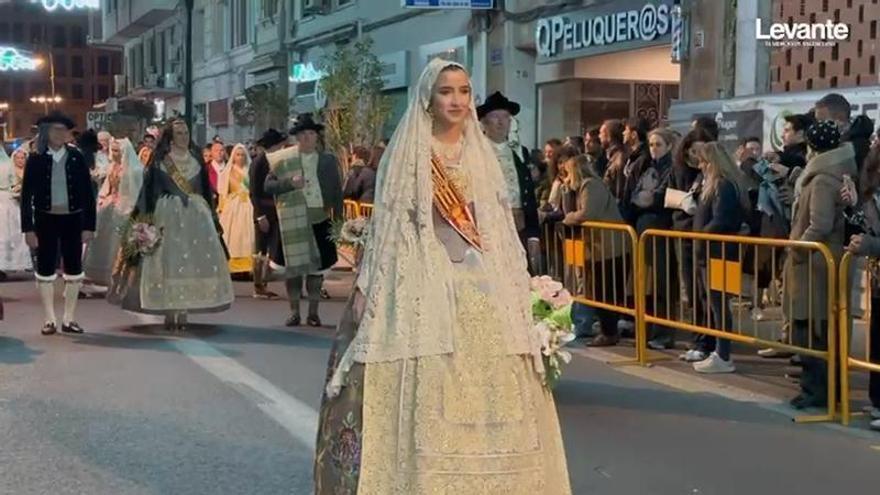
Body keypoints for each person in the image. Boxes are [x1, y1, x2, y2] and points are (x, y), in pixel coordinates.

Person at [313, 58, 570, 494]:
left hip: (479, 276)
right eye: (446, 91)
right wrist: (369, 286)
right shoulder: (411, 152)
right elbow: (393, 224)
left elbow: (494, 223)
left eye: (464, 91)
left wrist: (517, 280)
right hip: (423, 273)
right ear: (428, 99)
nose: (456, 100)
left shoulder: (481, 153)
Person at [108, 119, 233, 330]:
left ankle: (183, 310)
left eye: (186, 133)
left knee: (191, 263)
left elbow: (204, 190)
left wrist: (211, 216)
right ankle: (170, 309)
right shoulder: (160, 161)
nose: (184, 137)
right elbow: (148, 192)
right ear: (171, 137)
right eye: (180, 133)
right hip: (167, 216)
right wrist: (143, 222)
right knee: (169, 262)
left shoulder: (196, 160)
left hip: (196, 218)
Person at [786, 120, 857, 410]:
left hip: (815, 265)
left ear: (812, 148)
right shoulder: (834, 173)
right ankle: (825, 390)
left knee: (811, 330)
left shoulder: (822, 180)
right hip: (822, 263)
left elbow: (820, 223)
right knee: (820, 329)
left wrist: (798, 249)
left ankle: (816, 391)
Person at [20, 112, 97, 335]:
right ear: (46, 133)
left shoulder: (76, 157)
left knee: (74, 269)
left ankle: (69, 318)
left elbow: (87, 195)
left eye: (64, 130)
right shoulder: (36, 158)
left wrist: (89, 226)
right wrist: (28, 228)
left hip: (73, 218)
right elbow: (27, 197)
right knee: (45, 269)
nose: (60, 134)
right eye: (55, 130)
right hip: (45, 219)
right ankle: (49, 319)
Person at [265, 114, 342, 327]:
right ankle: (294, 312)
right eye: (303, 134)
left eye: (311, 133)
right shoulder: (283, 159)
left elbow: (336, 190)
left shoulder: (328, 160)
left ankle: (314, 312)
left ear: (317, 137)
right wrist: (290, 183)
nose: (308, 138)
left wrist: (340, 220)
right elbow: (268, 186)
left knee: (317, 270)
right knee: (294, 269)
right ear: (297, 137)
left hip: (320, 216)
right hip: (292, 217)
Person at [691, 142, 752, 374]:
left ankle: (723, 354)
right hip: (712, 252)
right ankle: (719, 351)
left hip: (720, 252)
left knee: (718, 304)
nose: (700, 166)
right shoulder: (718, 184)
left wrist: (700, 234)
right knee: (714, 302)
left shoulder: (723, 186)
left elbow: (722, 220)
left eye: (703, 162)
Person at [562, 154, 629, 346]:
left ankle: (609, 332)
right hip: (600, 247)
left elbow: (588, 212)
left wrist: (569, 218)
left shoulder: (591, 185)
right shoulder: (584, 187)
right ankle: (608, 330)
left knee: (604, 291)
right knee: (599, 290)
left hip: (609, 247)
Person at [844, 145, 880, 431]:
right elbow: (864, 225)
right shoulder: (871, 194)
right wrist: (852, 206)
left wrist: (871, 245)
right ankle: (877, 399)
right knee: (877, 340)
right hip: (878, 278)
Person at [477, 91, 541, 248]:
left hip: (520, 226)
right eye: (495, 117)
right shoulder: (477, 151)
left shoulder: (520, 152)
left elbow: (529, 194)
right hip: (489, 227)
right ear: (484, 122)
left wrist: (533, 234)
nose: (501, 122)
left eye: (505, 117)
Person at [82, 138, 143, 286]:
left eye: (118, 151)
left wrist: (126, 204)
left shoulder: (134, 169)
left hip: (125, 206)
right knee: (102, 239)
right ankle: (100, 274)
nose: (115, 154)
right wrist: (104, 198)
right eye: (113, 150)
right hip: (111, 205)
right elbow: (108, 186)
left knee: (118, 241)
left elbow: (136, 191)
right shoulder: (112, 167)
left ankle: (119, 274)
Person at [249, 129, 288, 300]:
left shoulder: (279, 161)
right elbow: (254, 192)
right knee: (260, 249)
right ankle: (258, 285)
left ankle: (265, 281)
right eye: (280, 144)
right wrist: (260, 216)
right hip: (263, 211)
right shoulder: (258, 162)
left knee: (274, 246)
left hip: (277, 210)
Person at [216, 143, 255, 275]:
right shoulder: (228, 171)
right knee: (233, 235)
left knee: (249, 235)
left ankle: (251, 266)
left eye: (243, 154)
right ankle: (233, 266)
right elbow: (222, 192)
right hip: (233, 207)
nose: (240, 157)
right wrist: (221, 209)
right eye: (238, 154)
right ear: (233, 156)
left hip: (249, 205)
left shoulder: (250, 170)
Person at [0, 146, 31, 274]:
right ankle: (10, 262)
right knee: (11, 231)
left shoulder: (7, 165)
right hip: (8, 198)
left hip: (7, 199)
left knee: (8, 231)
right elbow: (14, 184)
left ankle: (5, 264)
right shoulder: (8, 165)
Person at [601, 119, 628, 204]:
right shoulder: (612, 157)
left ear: (609, 136)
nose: (599, 136)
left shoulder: (619, 159)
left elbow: (619, 193)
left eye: (601, 133)